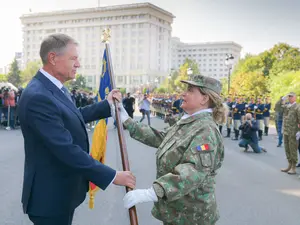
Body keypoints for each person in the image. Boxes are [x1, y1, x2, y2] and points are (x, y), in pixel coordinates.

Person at [17, 34, 136, 225]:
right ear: (53, 58)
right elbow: (66, 149)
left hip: (61, 193)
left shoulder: (54, 88)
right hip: (49, 198)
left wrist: (105, 106)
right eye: (74, 58)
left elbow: (71, 116)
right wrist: (112, 176)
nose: (78, 64)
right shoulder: (38, 96)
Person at [111, 75, 225, 225]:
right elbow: (162, 138)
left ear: (204, 99)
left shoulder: (205, 130)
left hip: (192, 217)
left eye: (190, 90)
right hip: (178, 212)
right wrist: (127, 121)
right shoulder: (191, 122)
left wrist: (154, 191)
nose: (183, 94)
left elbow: (192, 171)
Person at [280, 92, 300, 175]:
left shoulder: (297, 107)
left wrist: (299, 131)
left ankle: (293, 167)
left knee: (293, 149)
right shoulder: (287, 106)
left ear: (295, 98)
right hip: (286, 131)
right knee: (287, 148)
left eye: (291, 97)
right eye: (289, 97)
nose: (290, 98)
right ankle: (289, 165)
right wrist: (283, 99)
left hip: (293, 132)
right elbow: (278, 107)